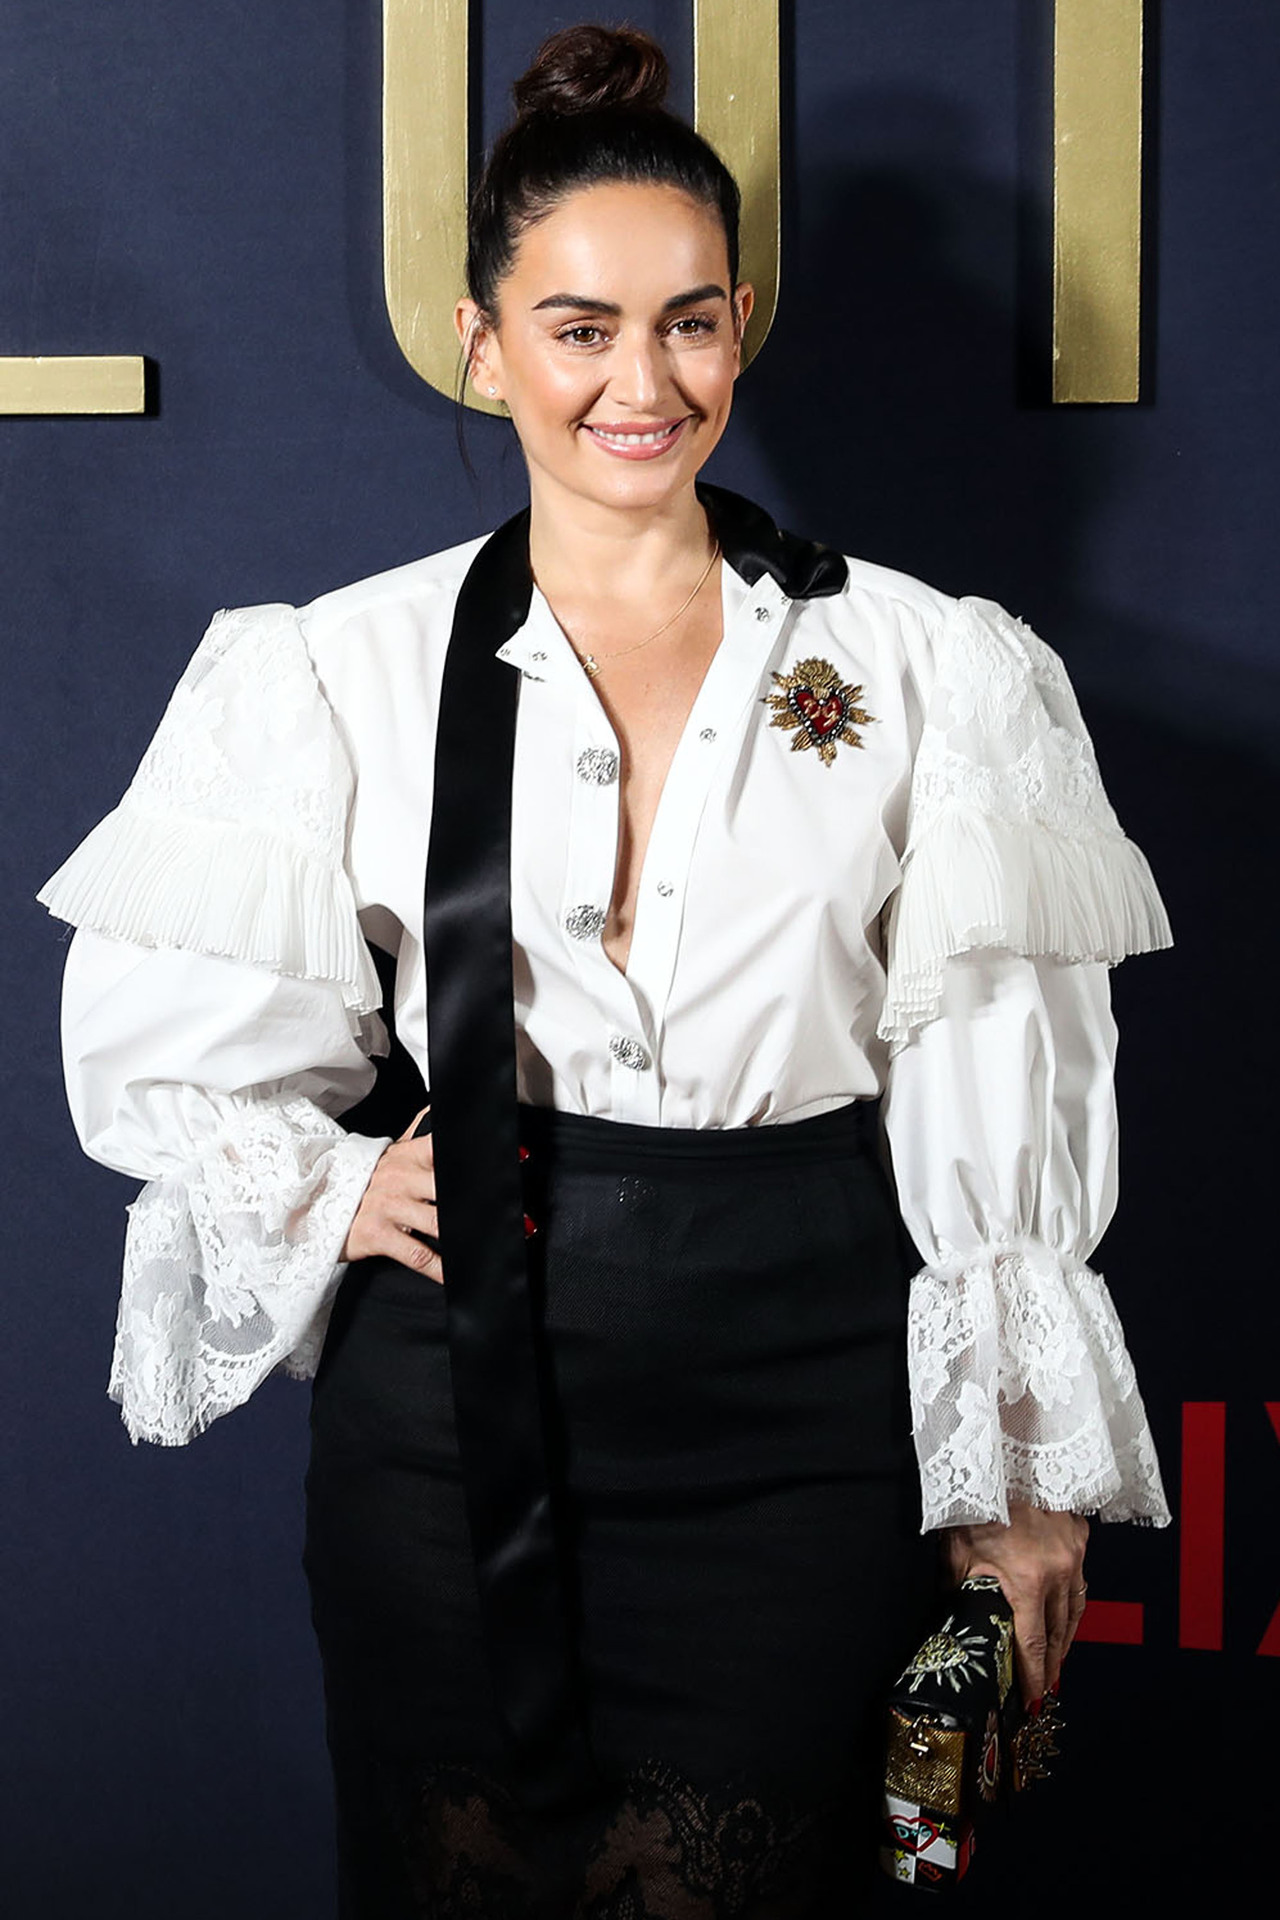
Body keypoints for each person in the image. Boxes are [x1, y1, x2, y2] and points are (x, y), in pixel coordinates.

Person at [37, 22, 1174, 1916]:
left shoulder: (931, 666)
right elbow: (170, 1045)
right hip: (449, 1426)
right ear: (484, 345)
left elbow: (998, 1070)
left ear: (741, 331)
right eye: (579, 328)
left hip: (804, 1409)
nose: (641, 383)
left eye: (688, 324)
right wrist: (324, 1183)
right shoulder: (335, 666)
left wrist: (1019, 1475)